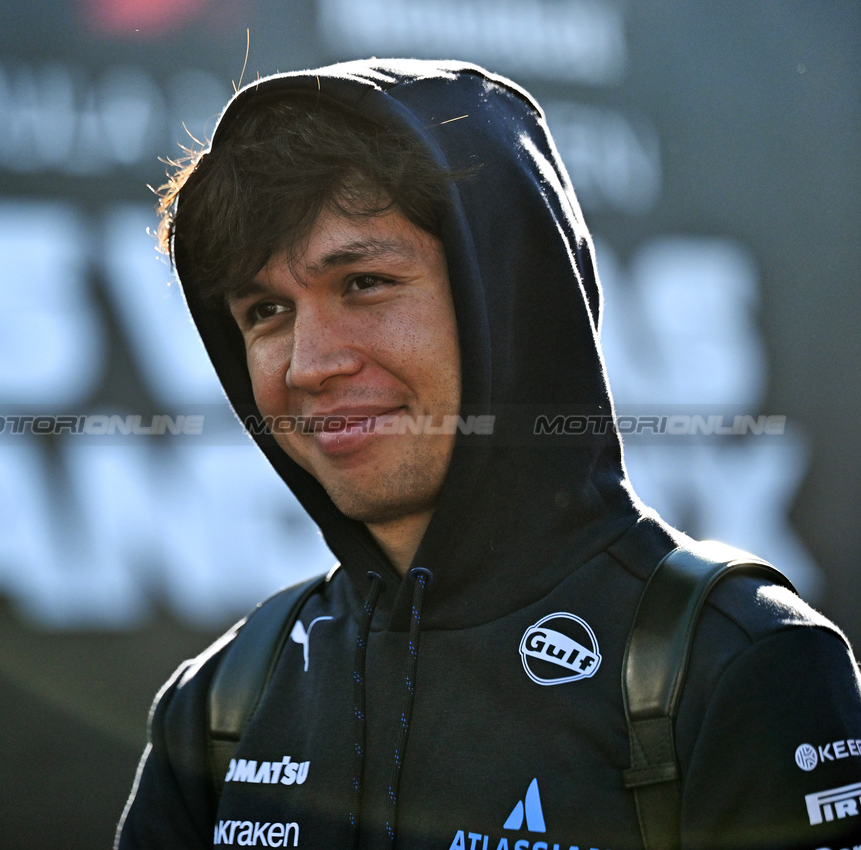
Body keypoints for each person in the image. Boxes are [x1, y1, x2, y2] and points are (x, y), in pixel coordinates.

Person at [115, 60, 861, 850]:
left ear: (508, 301)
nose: (309, 365)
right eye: (266, 309)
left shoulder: (739, 663)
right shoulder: (222, 701)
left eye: (364, 283)